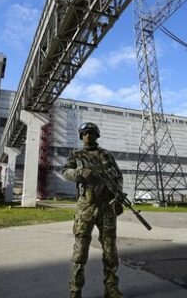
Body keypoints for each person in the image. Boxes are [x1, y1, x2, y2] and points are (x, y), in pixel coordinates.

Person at [62, 122, 124, 298]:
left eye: (91, 132)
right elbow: (65, 171)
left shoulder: (106, 155)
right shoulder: (77, 154)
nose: (88, 135)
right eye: (84, 132)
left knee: (110, 249)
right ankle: (75, 290)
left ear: (97, 135)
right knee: (80, 249)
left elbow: (118, 176)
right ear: (81, 136)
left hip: (106, 206)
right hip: (86, 206)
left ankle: (111, 288)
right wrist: (79, 174)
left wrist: (118, 194)